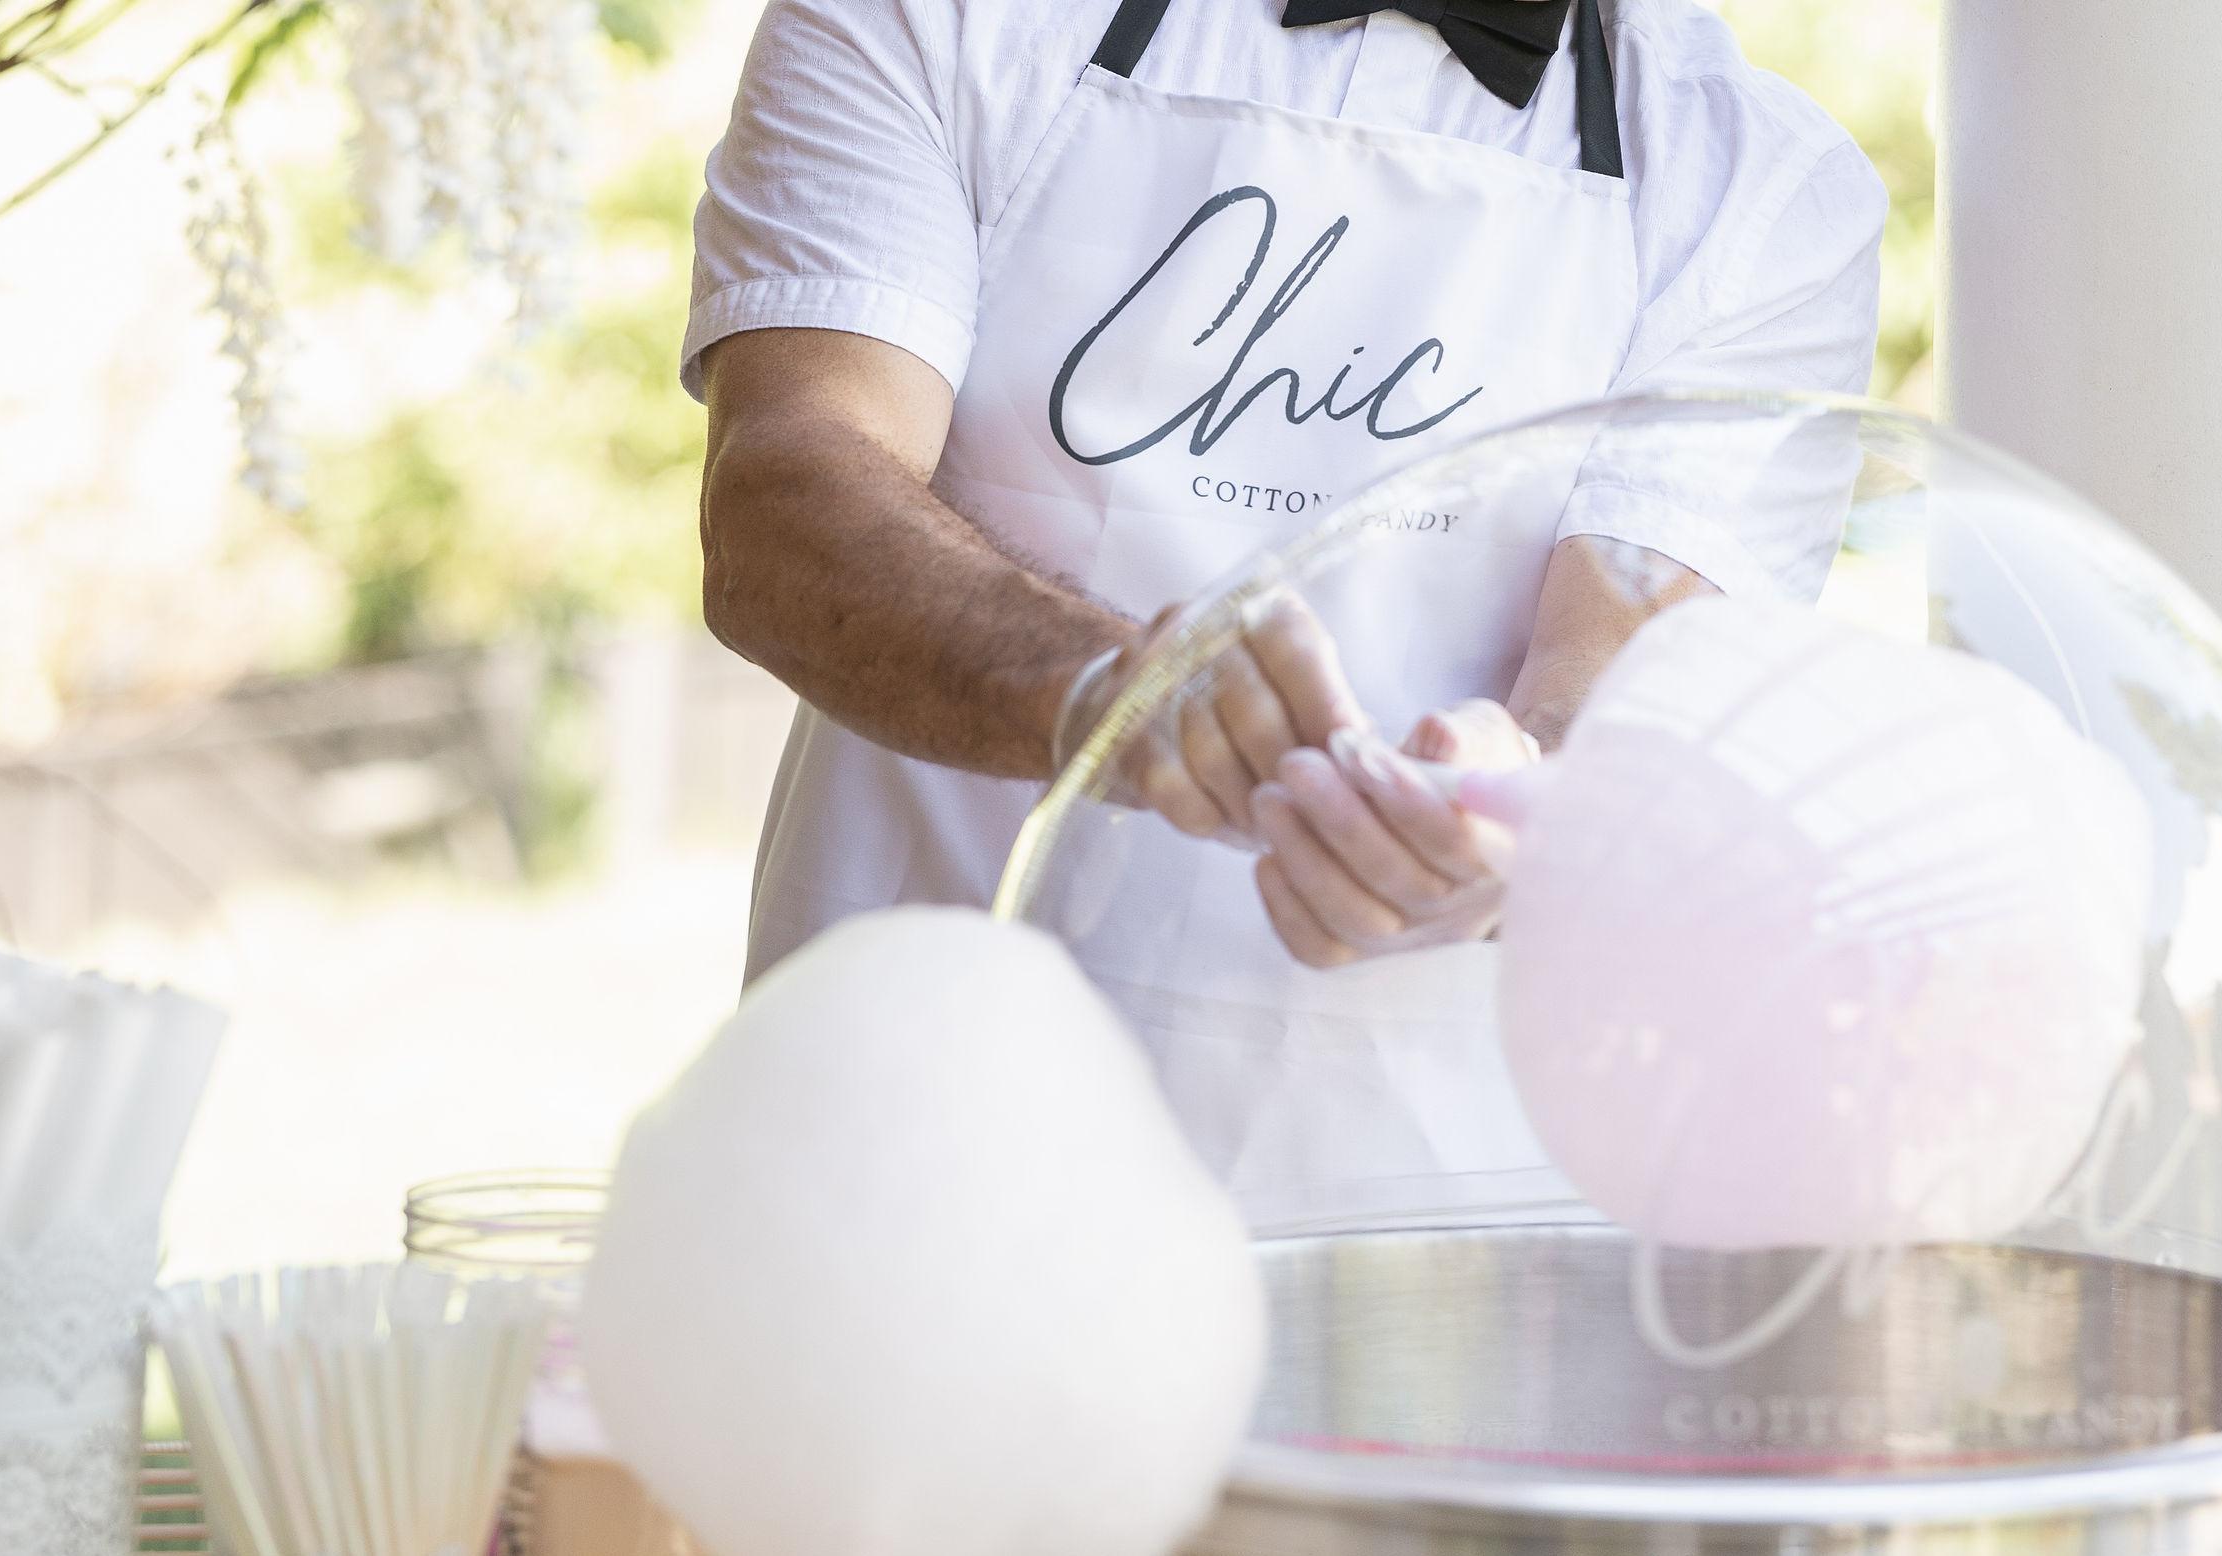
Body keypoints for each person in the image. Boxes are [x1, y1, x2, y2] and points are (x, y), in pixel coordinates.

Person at [690, 0, 1886, 1194]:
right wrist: (1112, 694)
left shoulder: (1758, 188)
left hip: (1430, 1191)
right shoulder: (931, 17)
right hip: (907, 1143)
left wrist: (1514, 818)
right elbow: (783, 511)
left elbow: (1626, 694)